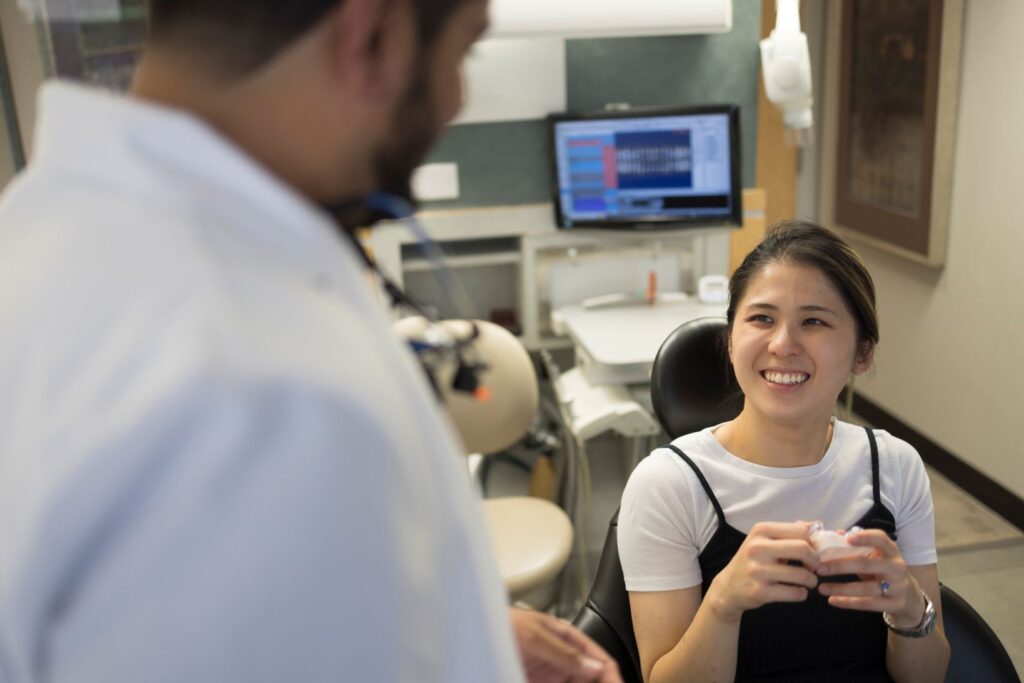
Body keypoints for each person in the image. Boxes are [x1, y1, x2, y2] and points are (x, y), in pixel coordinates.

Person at [0, 0, 620, 681]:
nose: (457, 96)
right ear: (373, 35)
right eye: (462, 53)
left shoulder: (41, 234)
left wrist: (448, 624)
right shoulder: (270, 387)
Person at [619, 221, 950, 682]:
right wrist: (723, 604)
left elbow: (927, 677)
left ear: (863, 353)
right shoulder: (668, 485)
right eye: (761, 318)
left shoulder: (894, 465)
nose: (782, 345)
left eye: (814, 321)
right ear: (731, 339)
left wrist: (912, 610)